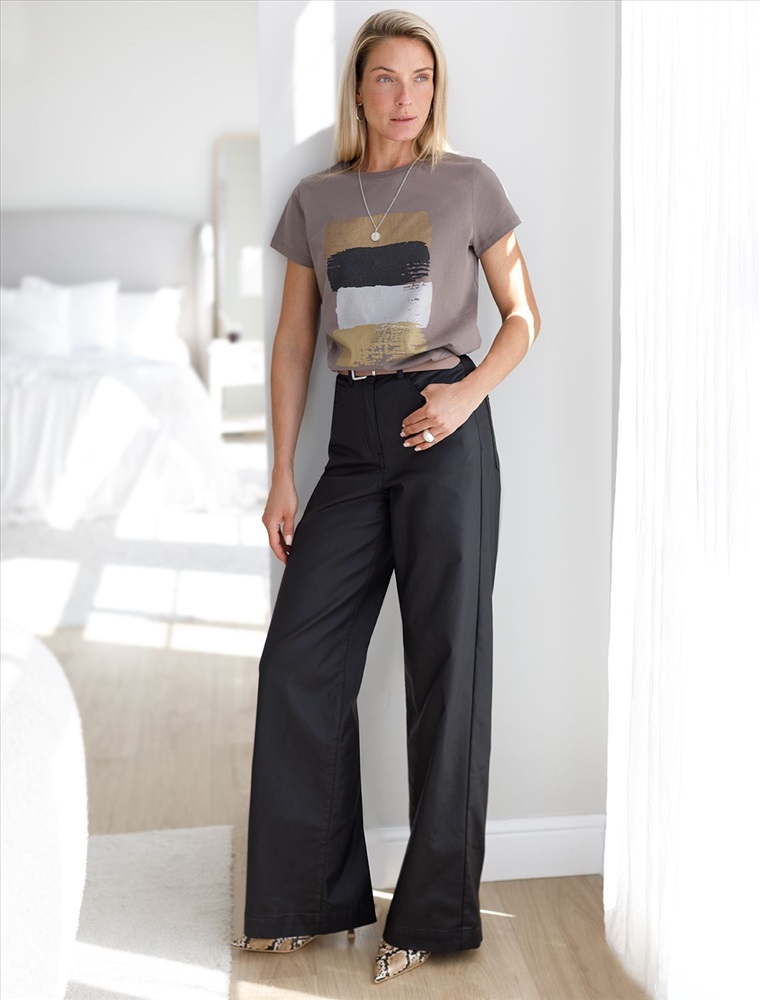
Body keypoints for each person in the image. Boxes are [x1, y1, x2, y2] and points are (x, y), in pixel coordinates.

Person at [232, 7, 540, 986]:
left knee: (448, 668)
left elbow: (523, 317)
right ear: (358, 91)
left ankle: (435, 917)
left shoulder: (469, 184)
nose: (405, 97)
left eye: (421, 78)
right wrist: (283, 471)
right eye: (386, 78)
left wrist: (463, 396)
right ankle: (303, 898)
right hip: (353, 444)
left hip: (446, 430)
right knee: (298, 660)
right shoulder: (316, 199)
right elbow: (293, 340)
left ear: (435, 90)